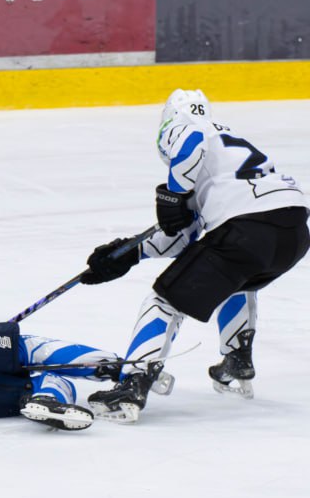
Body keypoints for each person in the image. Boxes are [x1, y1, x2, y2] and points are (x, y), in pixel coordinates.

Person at [80, 89, 309, 423]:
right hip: (293, 233)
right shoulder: (225, 157)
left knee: (165, 300)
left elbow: (193, 134)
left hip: (246, 228)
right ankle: (237, 357)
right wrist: (130, 252)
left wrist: (173, 195)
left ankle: (133, 381)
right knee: (236, 280)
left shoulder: (193, 126)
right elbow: (185, 238)